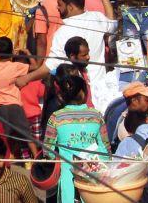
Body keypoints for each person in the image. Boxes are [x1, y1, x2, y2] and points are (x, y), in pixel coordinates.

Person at [42, 74, 108, 203]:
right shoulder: (96, 115)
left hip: (68, 175)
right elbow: (105, 149)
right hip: (95, 174)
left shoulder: (56, 117)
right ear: (84, 93)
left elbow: (48, 151)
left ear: (60, 96)